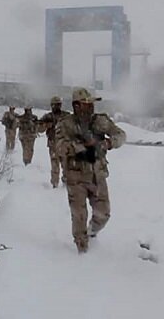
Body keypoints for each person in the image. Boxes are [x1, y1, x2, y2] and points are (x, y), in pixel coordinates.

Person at [55, 87, 126, 254]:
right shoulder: (66, 124)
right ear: (76, 106)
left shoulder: (100, 121)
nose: (90, 107)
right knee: (79, 217)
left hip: (97, 175)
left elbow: (121, 135)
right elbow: (59, 147)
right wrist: (79, 147)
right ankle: (82, 254)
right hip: (76, 176)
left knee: (103, 214)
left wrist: (109, 143)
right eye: (86, 104)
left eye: (91, 104)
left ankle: (92, 233)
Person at [38, 96, 71, 188]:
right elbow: (39, 128)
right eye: (55, 105)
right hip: (53, 144)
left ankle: (66, 183)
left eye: (58, 104)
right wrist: (46, 125)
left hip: (64, 144)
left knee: (66, 165)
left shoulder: (66, 116)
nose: (57, 107)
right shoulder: (47, 117)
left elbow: (73, 127)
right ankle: (55, 184)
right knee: (55, 166)